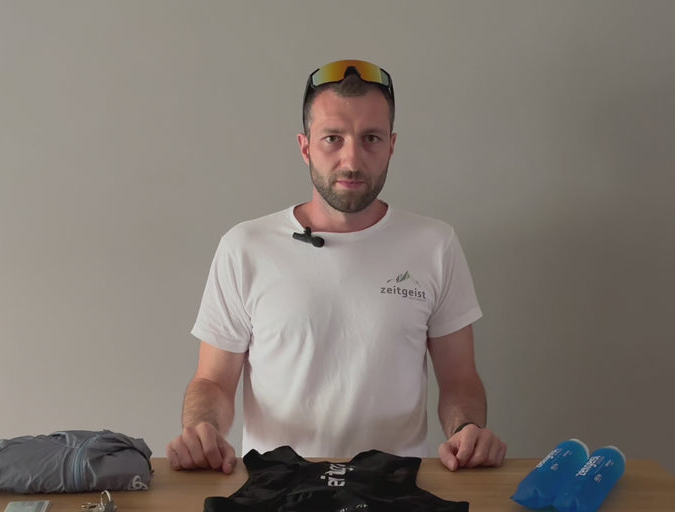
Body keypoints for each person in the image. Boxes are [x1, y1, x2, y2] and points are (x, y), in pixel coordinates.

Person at [167, 59, 506, 474]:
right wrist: (203, 429)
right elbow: (213, 382)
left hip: (396, 490)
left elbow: (459, 380)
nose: (352, 159)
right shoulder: (244, 247)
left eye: (371, 138)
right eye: (333, 138)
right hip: (275, 489)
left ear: (391, 146)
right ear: (305, 146)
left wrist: (467, 429)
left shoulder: (435, 245)